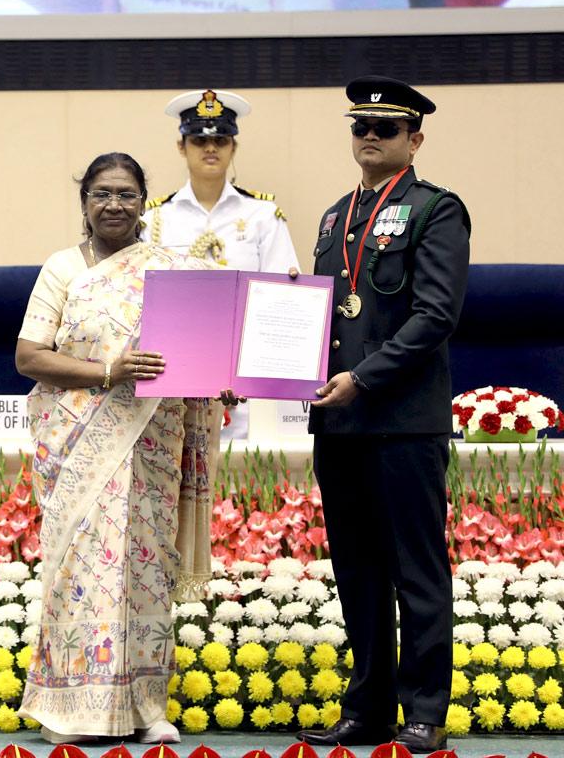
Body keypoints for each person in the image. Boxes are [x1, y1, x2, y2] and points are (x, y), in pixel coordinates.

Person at [15, 152, 239, 745]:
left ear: (145, 200)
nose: (114, 204)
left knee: (144, 571)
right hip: (78, 440)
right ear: (83, 202)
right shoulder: (63, 268)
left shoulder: (176, 270)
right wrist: (109, 370)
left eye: (126, 193)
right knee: (82, 572)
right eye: (101, 194)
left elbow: (201, 354)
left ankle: (145, 706)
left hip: (153, 442)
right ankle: (70, 708)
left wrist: (220, 381)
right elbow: (30, 357)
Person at [300, 77, 470, 754]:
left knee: (417, 569)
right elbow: (317, 316)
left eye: (386, 129)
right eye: (360, 128)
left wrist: (362, 379)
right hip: (340, 424)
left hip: (401, 419)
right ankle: (368, 708)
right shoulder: (333, 216)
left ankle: (423, 709)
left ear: (414, 139)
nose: (370, 138)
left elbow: (436, 315)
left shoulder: (437, 209)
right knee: (359, 571)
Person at [141, 89, 299, 440]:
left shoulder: (262, 216)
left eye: (221, 140)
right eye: (198, 140)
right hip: (173, 373)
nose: (210, 148)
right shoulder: (154, 219)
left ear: (233, 147)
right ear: (181, 146)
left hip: (245, 378)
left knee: (245, 479)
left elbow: (282, 300)